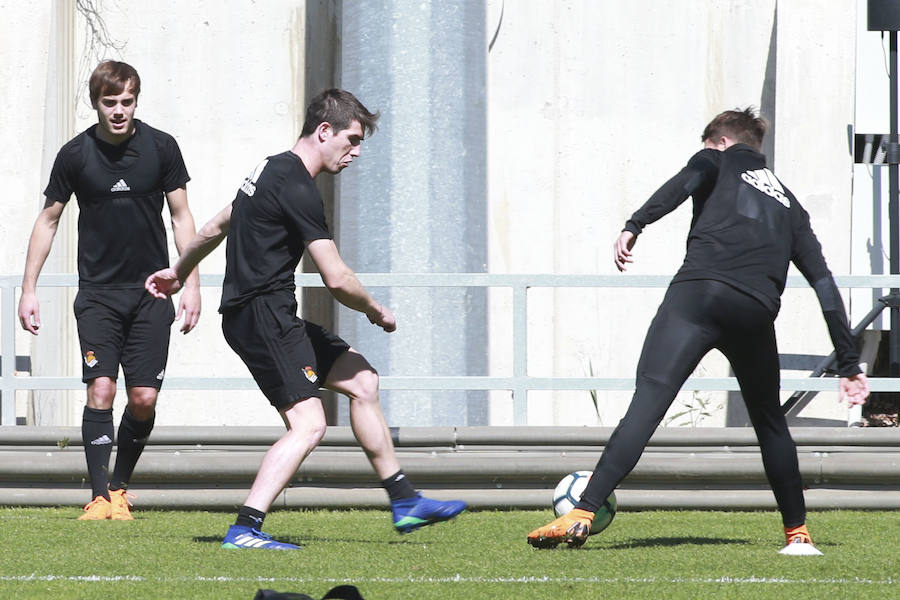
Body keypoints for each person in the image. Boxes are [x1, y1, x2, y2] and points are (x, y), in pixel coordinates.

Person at [527, 107, 870, 555]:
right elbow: (823, 283)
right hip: (754, 311)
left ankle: (583, 511)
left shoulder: (714, 160)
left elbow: (681, 185)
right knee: (770, 422)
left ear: (722, 142)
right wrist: (847, 361)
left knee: (649, 401)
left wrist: (636, 224)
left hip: (698, 296)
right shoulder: (791, 204)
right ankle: (798, 534)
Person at [145, 88, 467, 550]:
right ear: (324, 131)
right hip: (261, 316)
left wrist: (179, 271)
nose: (356, 152)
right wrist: (375, 309)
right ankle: (245, 528)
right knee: (309, 424)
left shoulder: (268, 168)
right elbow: (335, 277)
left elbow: (216, 226)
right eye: (351, 140)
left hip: (267, 314)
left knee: (363, 381)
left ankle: (404, 500)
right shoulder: (298, 187)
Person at [19, 60, 201, 520]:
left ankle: (120, 488)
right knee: (101, 388)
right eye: (109, 102)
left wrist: (190, 284)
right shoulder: (75, 155)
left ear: (137, 100)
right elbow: (48, 220)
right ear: (95, 102)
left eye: (126, 101)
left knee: (143, 398)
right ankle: (99, 497)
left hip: (152, 294)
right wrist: (28, 290)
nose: (119, 111)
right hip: (98, 294)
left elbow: (182, 218)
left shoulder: (162, 148)